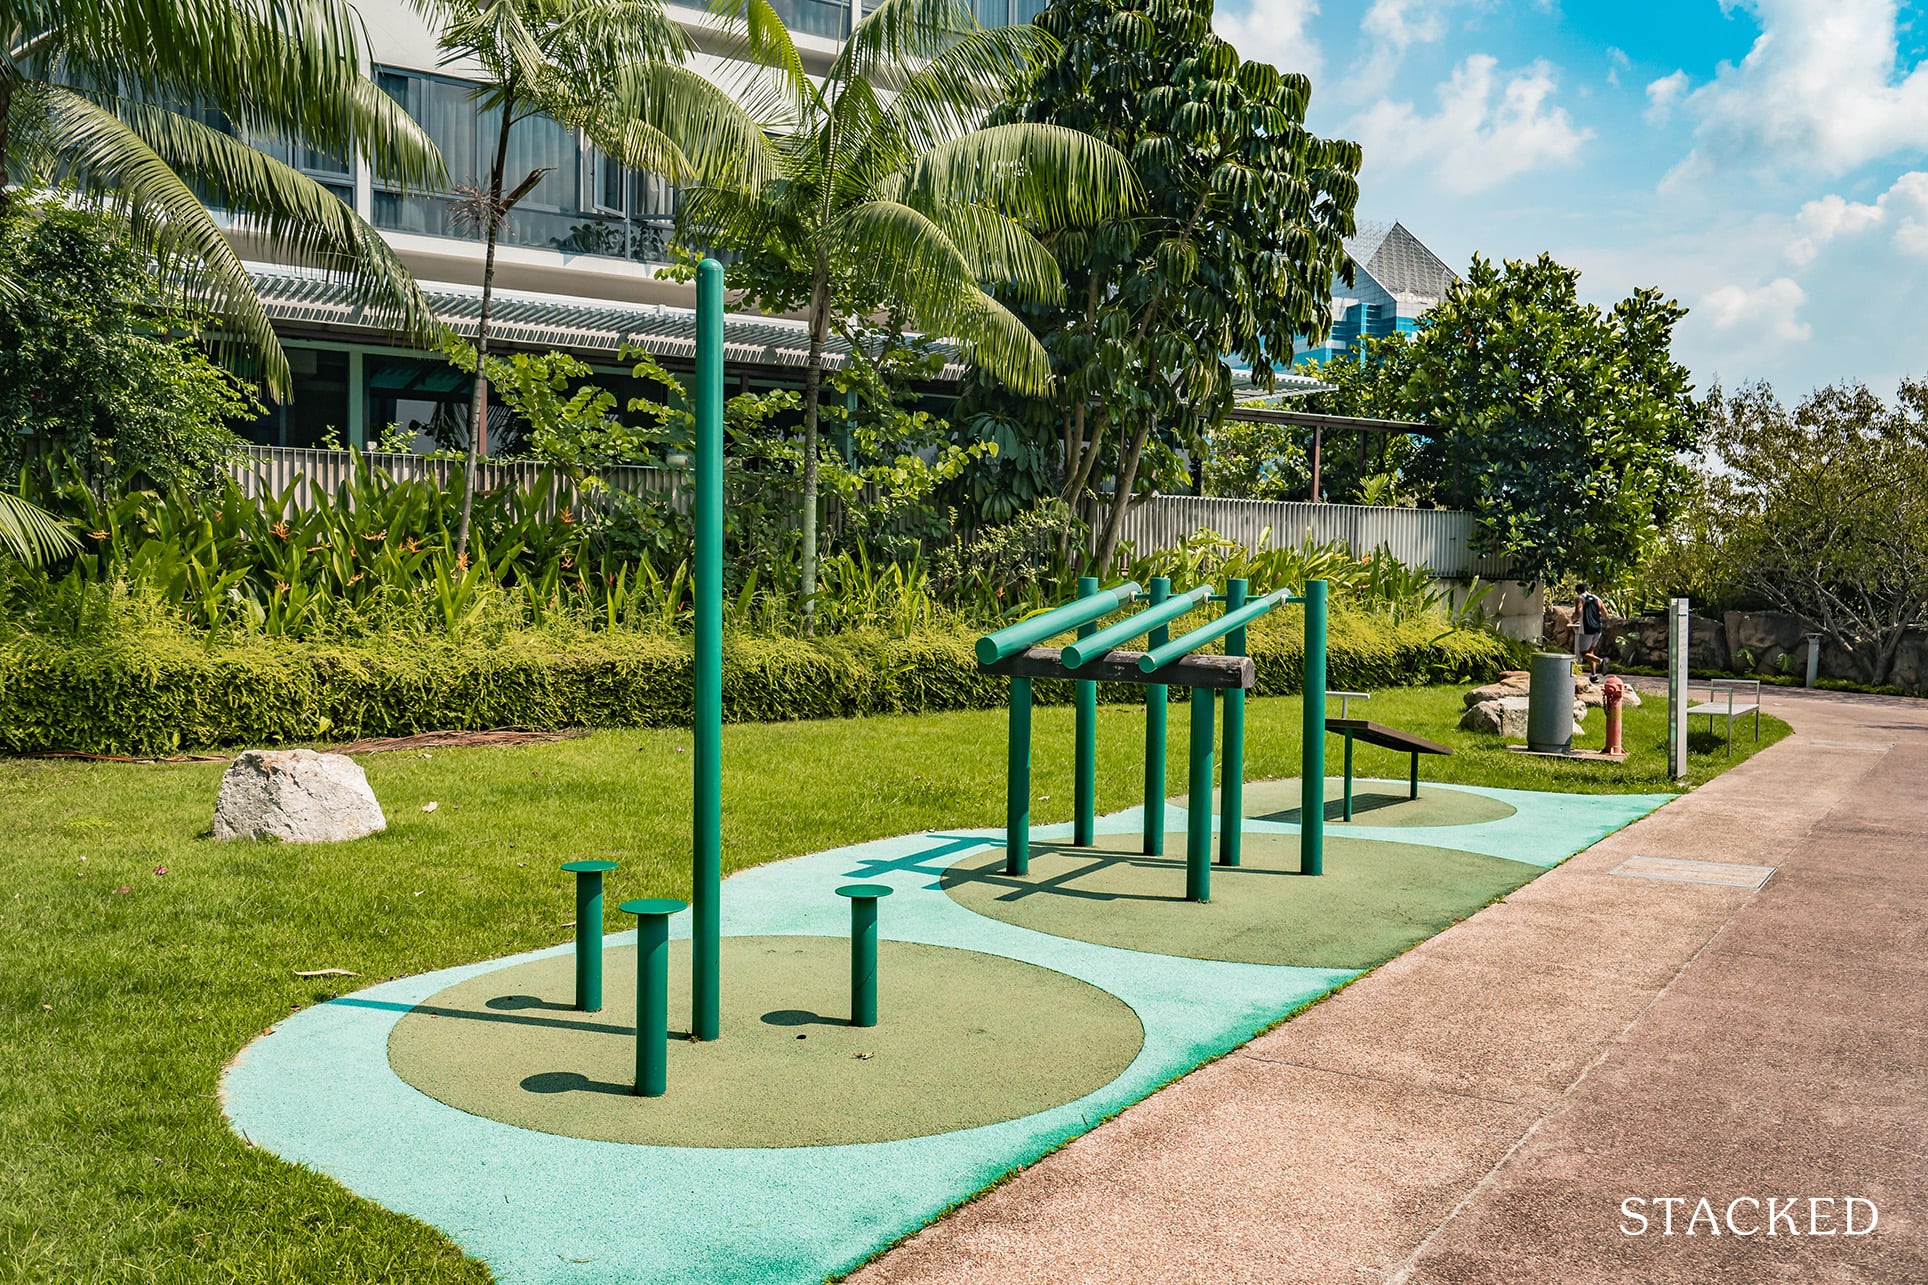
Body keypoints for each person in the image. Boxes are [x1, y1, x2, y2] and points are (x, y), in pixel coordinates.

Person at [1574, 583, 1608, 681]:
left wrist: (1573, 619)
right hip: (1598, 629)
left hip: (1586, 629)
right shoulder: (1598, 599)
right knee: (1590, 652)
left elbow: (1578, 612)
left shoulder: (1579, 598)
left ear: (1578, 591)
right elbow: (1606, 615)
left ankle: (1601, 661)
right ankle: (1593, 676)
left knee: (1583, 653)